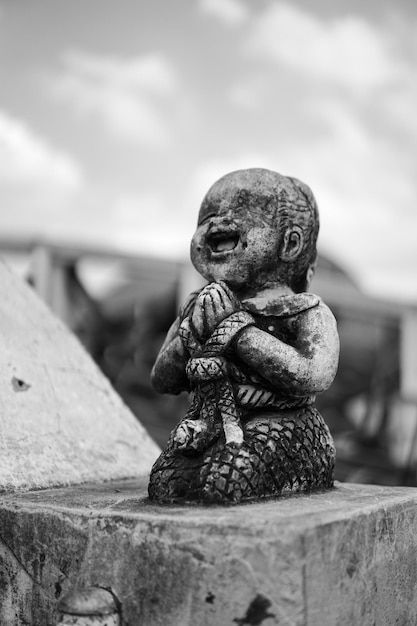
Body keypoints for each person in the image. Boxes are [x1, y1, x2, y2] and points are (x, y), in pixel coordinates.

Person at [148, 168, 339, 504]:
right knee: (165, 481)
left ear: (290, 243)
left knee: (224, 483)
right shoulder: (197, 305)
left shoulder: (304, 311)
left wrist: (238, 331)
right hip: (209, 423)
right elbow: (162, 379)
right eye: (206, 217)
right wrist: (190, 332)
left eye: (239, 214)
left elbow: (314, 373)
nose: (216, 225)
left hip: (285, 426)